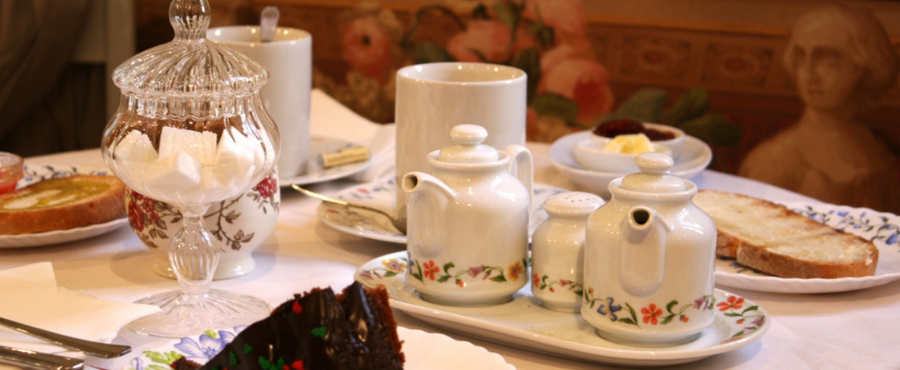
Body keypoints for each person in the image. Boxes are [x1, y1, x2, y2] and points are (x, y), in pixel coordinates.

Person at [738, 4, 900, 213]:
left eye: (828, 59)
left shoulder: (875, 151)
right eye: (802, 56)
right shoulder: (774, 160)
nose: (810, 72)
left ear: (861, 67)